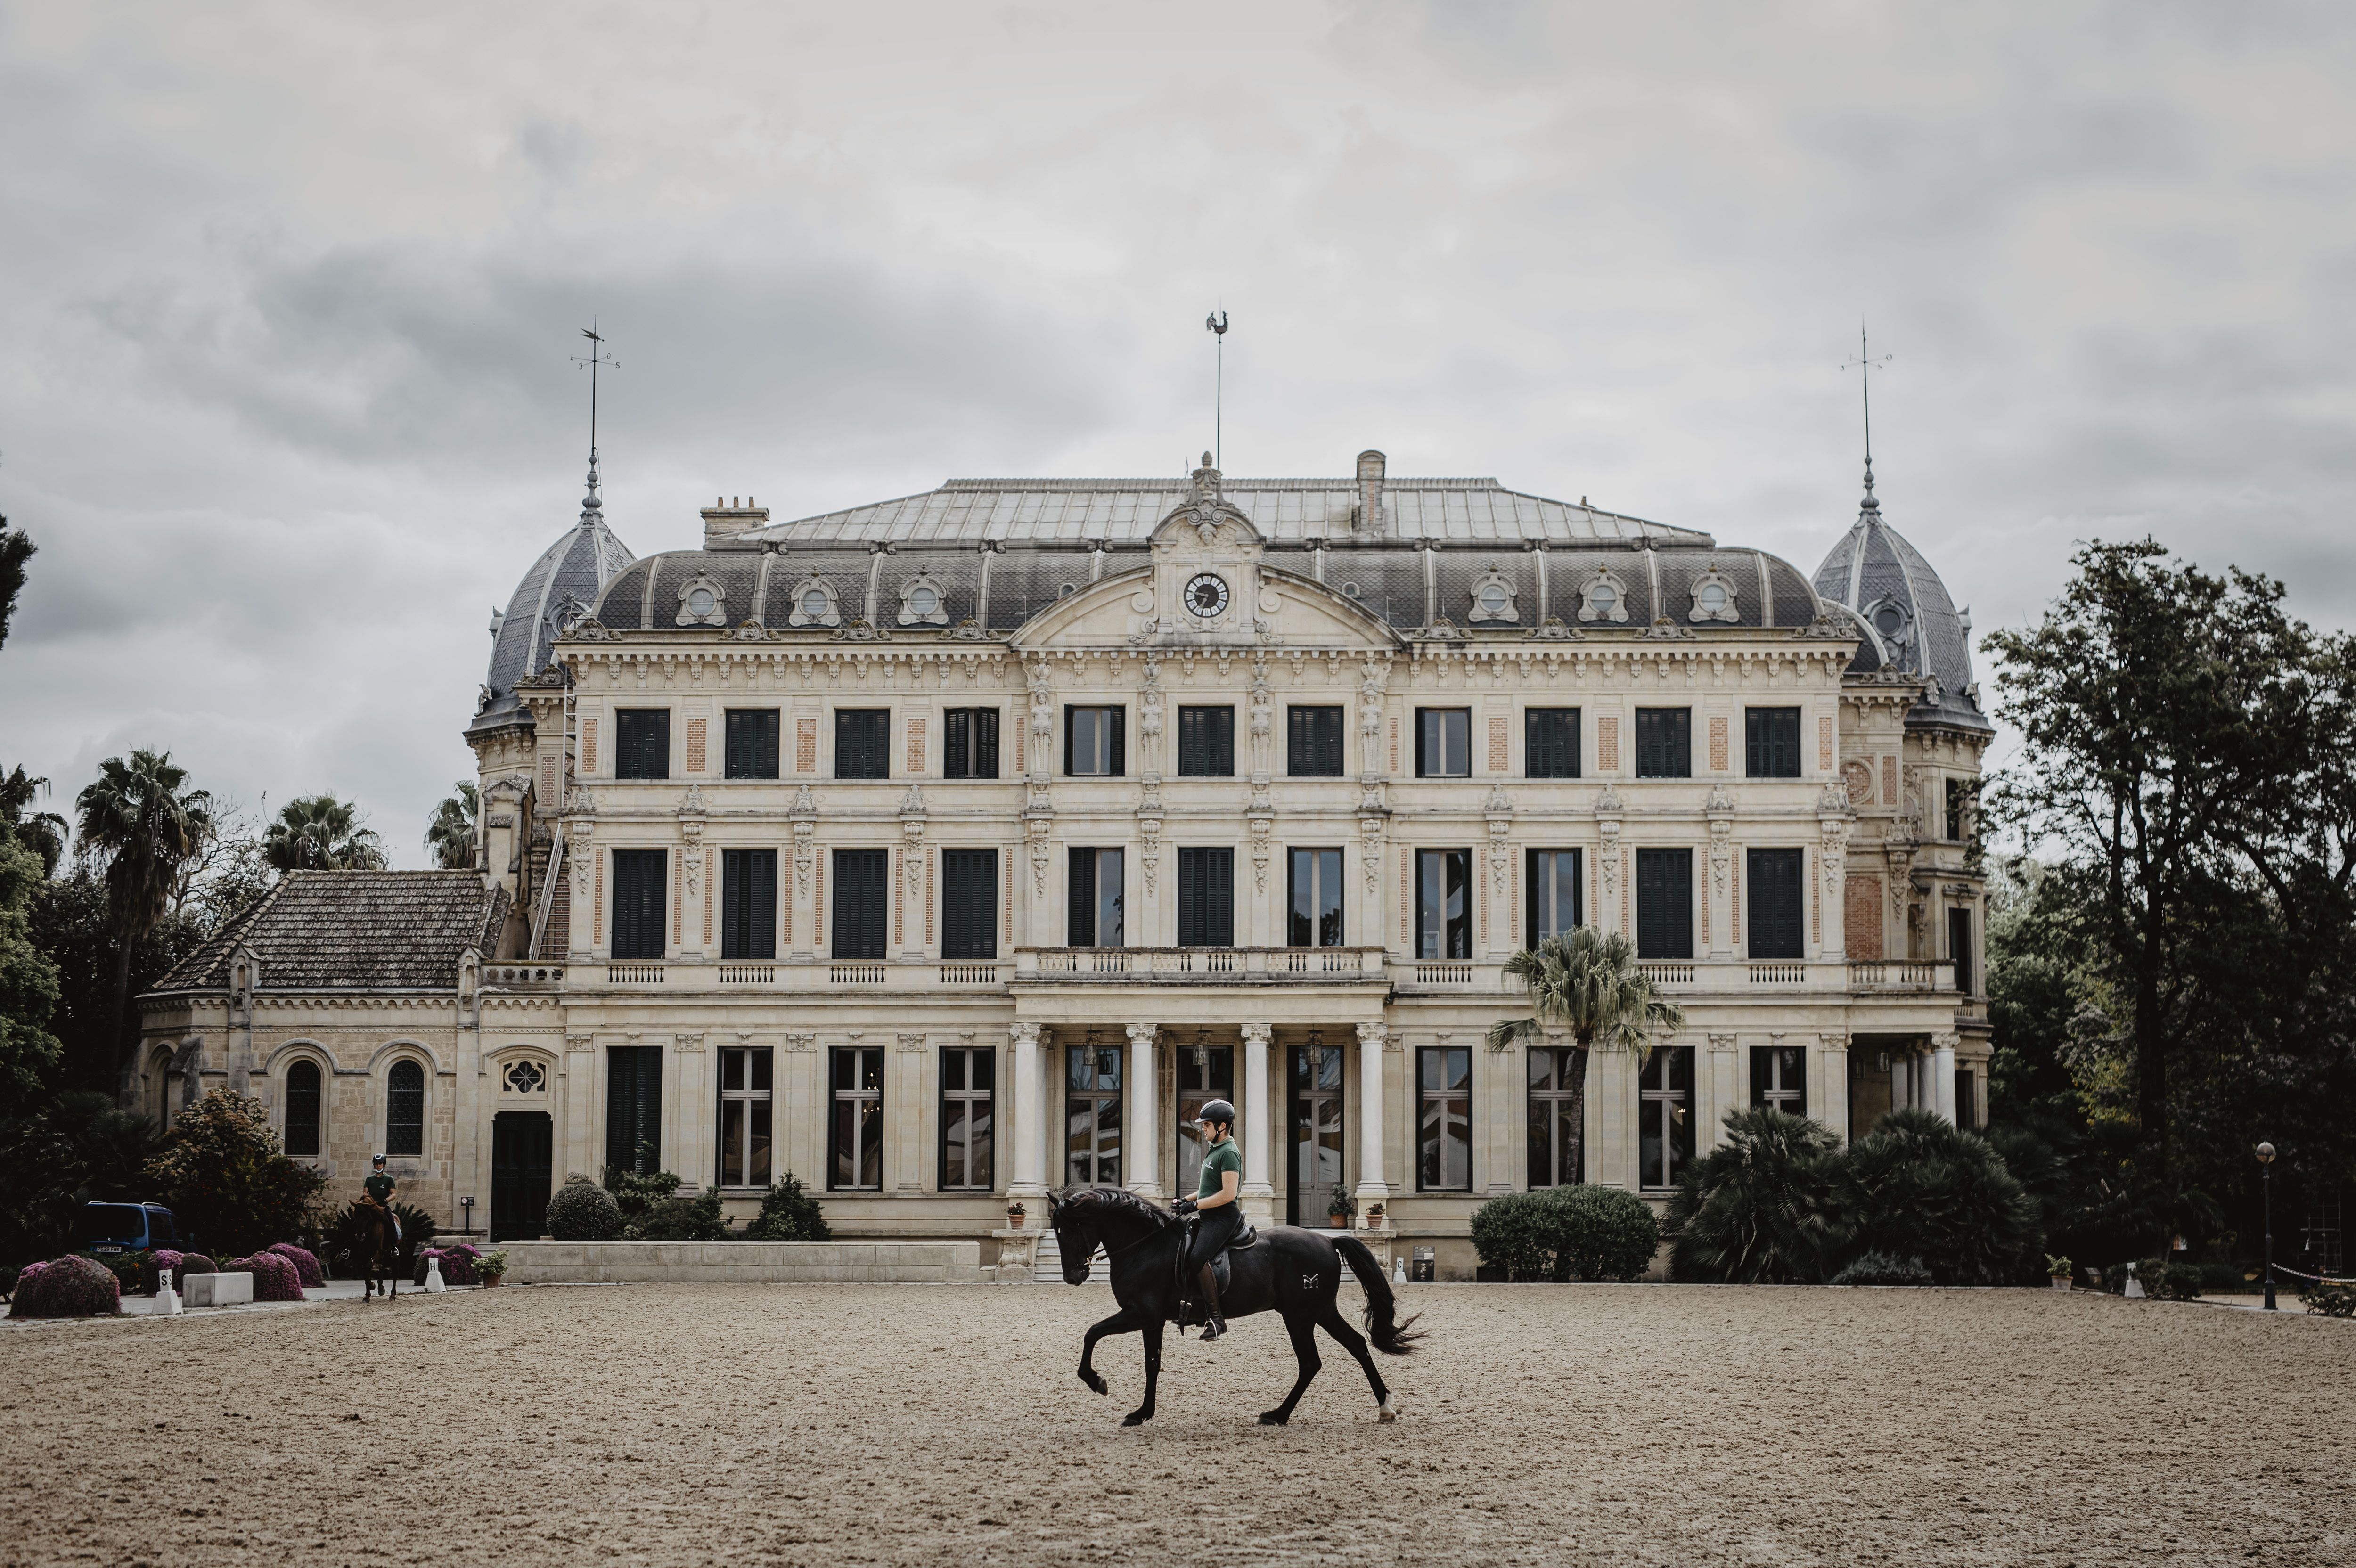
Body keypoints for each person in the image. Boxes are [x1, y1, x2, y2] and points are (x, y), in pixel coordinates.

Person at [1172, 1100, 1243, 1340]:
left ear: (1222, 1127)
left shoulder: (1229, 1152)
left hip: (1222, 1216)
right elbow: (1207, 1190)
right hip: (1210, 1214)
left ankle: (1216, 1319)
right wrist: (1185, 1200)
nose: (1203, 1129)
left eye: (1207, 1125)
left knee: (1197, 1257)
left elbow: (1228, 1194)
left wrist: (1195, 1206)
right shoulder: (1216, 1149)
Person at [363, 1154, 401, 1250]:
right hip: (371, 1207)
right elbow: (365, 1193)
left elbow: (393, 1195)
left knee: (391, 1223)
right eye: (376, 1164)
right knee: (359, 1221)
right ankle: (350, 1247)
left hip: (383, 1207)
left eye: (380, 1163)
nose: (378, 1165)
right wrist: (367, 1200)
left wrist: (385, 1200)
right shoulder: (369, 1179)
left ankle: (394, 1247)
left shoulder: (389, 1179)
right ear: (374, 1165)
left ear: (384, 1164)